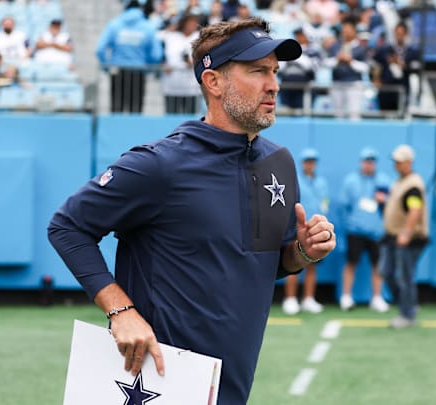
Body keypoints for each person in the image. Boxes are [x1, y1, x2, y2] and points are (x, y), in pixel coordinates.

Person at [48, 17, 336, 404]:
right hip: (157, 383)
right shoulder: (160, 164)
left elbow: (262, 264)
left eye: (274, 71)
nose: (273, 85)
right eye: (257, 71)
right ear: (213, 82)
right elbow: (67, 227)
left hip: (231, 386)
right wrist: (121, 311)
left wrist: (301, 252)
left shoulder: (278, 166)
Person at [339, 146, 391, 312]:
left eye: (372, 161)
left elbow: (392, 204)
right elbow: (343, 206)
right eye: (367, 161)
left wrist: (385, 200)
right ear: (362, 162)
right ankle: (346, 296)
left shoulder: (383, 180)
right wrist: (347, 226)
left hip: (376, 231)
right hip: (355, 230)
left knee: (377, 265)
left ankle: (377, 297)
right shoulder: (351, 180)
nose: (369, 164)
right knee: (351, 263)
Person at [382, 144, 429, 328]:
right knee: (387, 272)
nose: (396, 165)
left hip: (407, 239)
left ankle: (407, 314)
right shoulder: (400, 182)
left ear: (409, 162)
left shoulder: (413, 185)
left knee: (405, 276)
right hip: (393, 236)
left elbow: (415, 210)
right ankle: (406, 305)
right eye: (395, 161)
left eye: (400, 162)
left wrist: (407, 233)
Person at [282, 148, 329, 315]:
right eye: (308, 161)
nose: (310, 164)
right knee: (293, 262)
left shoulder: (321, 182)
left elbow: (325, 203)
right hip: (297, 227)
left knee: (312, 265)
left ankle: (308, 298)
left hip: (314, 228)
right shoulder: (295, 180)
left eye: (313, 161)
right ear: (303, 163)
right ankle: (290, 299)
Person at [95, 0, 163, 113]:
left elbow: (100, 49)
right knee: (135, 112)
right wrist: (149, 66)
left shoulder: (114, 24)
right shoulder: (148, 27)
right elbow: (157, 54)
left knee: (116, 111)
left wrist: (106, 66)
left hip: (118, 72)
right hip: (138, 73)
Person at [372, 21, 421, 112]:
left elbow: (416, 69)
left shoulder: (412, 52)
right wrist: (376, 78)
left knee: (401, 115)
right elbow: (375, 65)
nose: (399, 36)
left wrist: (401, 64)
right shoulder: (385, 50)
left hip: (402, 89)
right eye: (397, 34)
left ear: (406, 34)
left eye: (401, 34)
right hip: (386, 90)